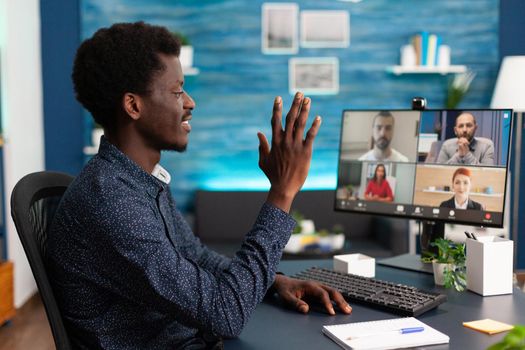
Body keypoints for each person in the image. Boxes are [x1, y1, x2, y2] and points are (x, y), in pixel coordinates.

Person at [47, 22, 352, 349]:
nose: (190, 102)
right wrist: (282, 192)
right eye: (177, 91)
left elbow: (195, 257)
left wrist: (274, 282)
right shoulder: (112, 201)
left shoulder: (136, 181)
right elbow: (226, 313)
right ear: (133, 106)